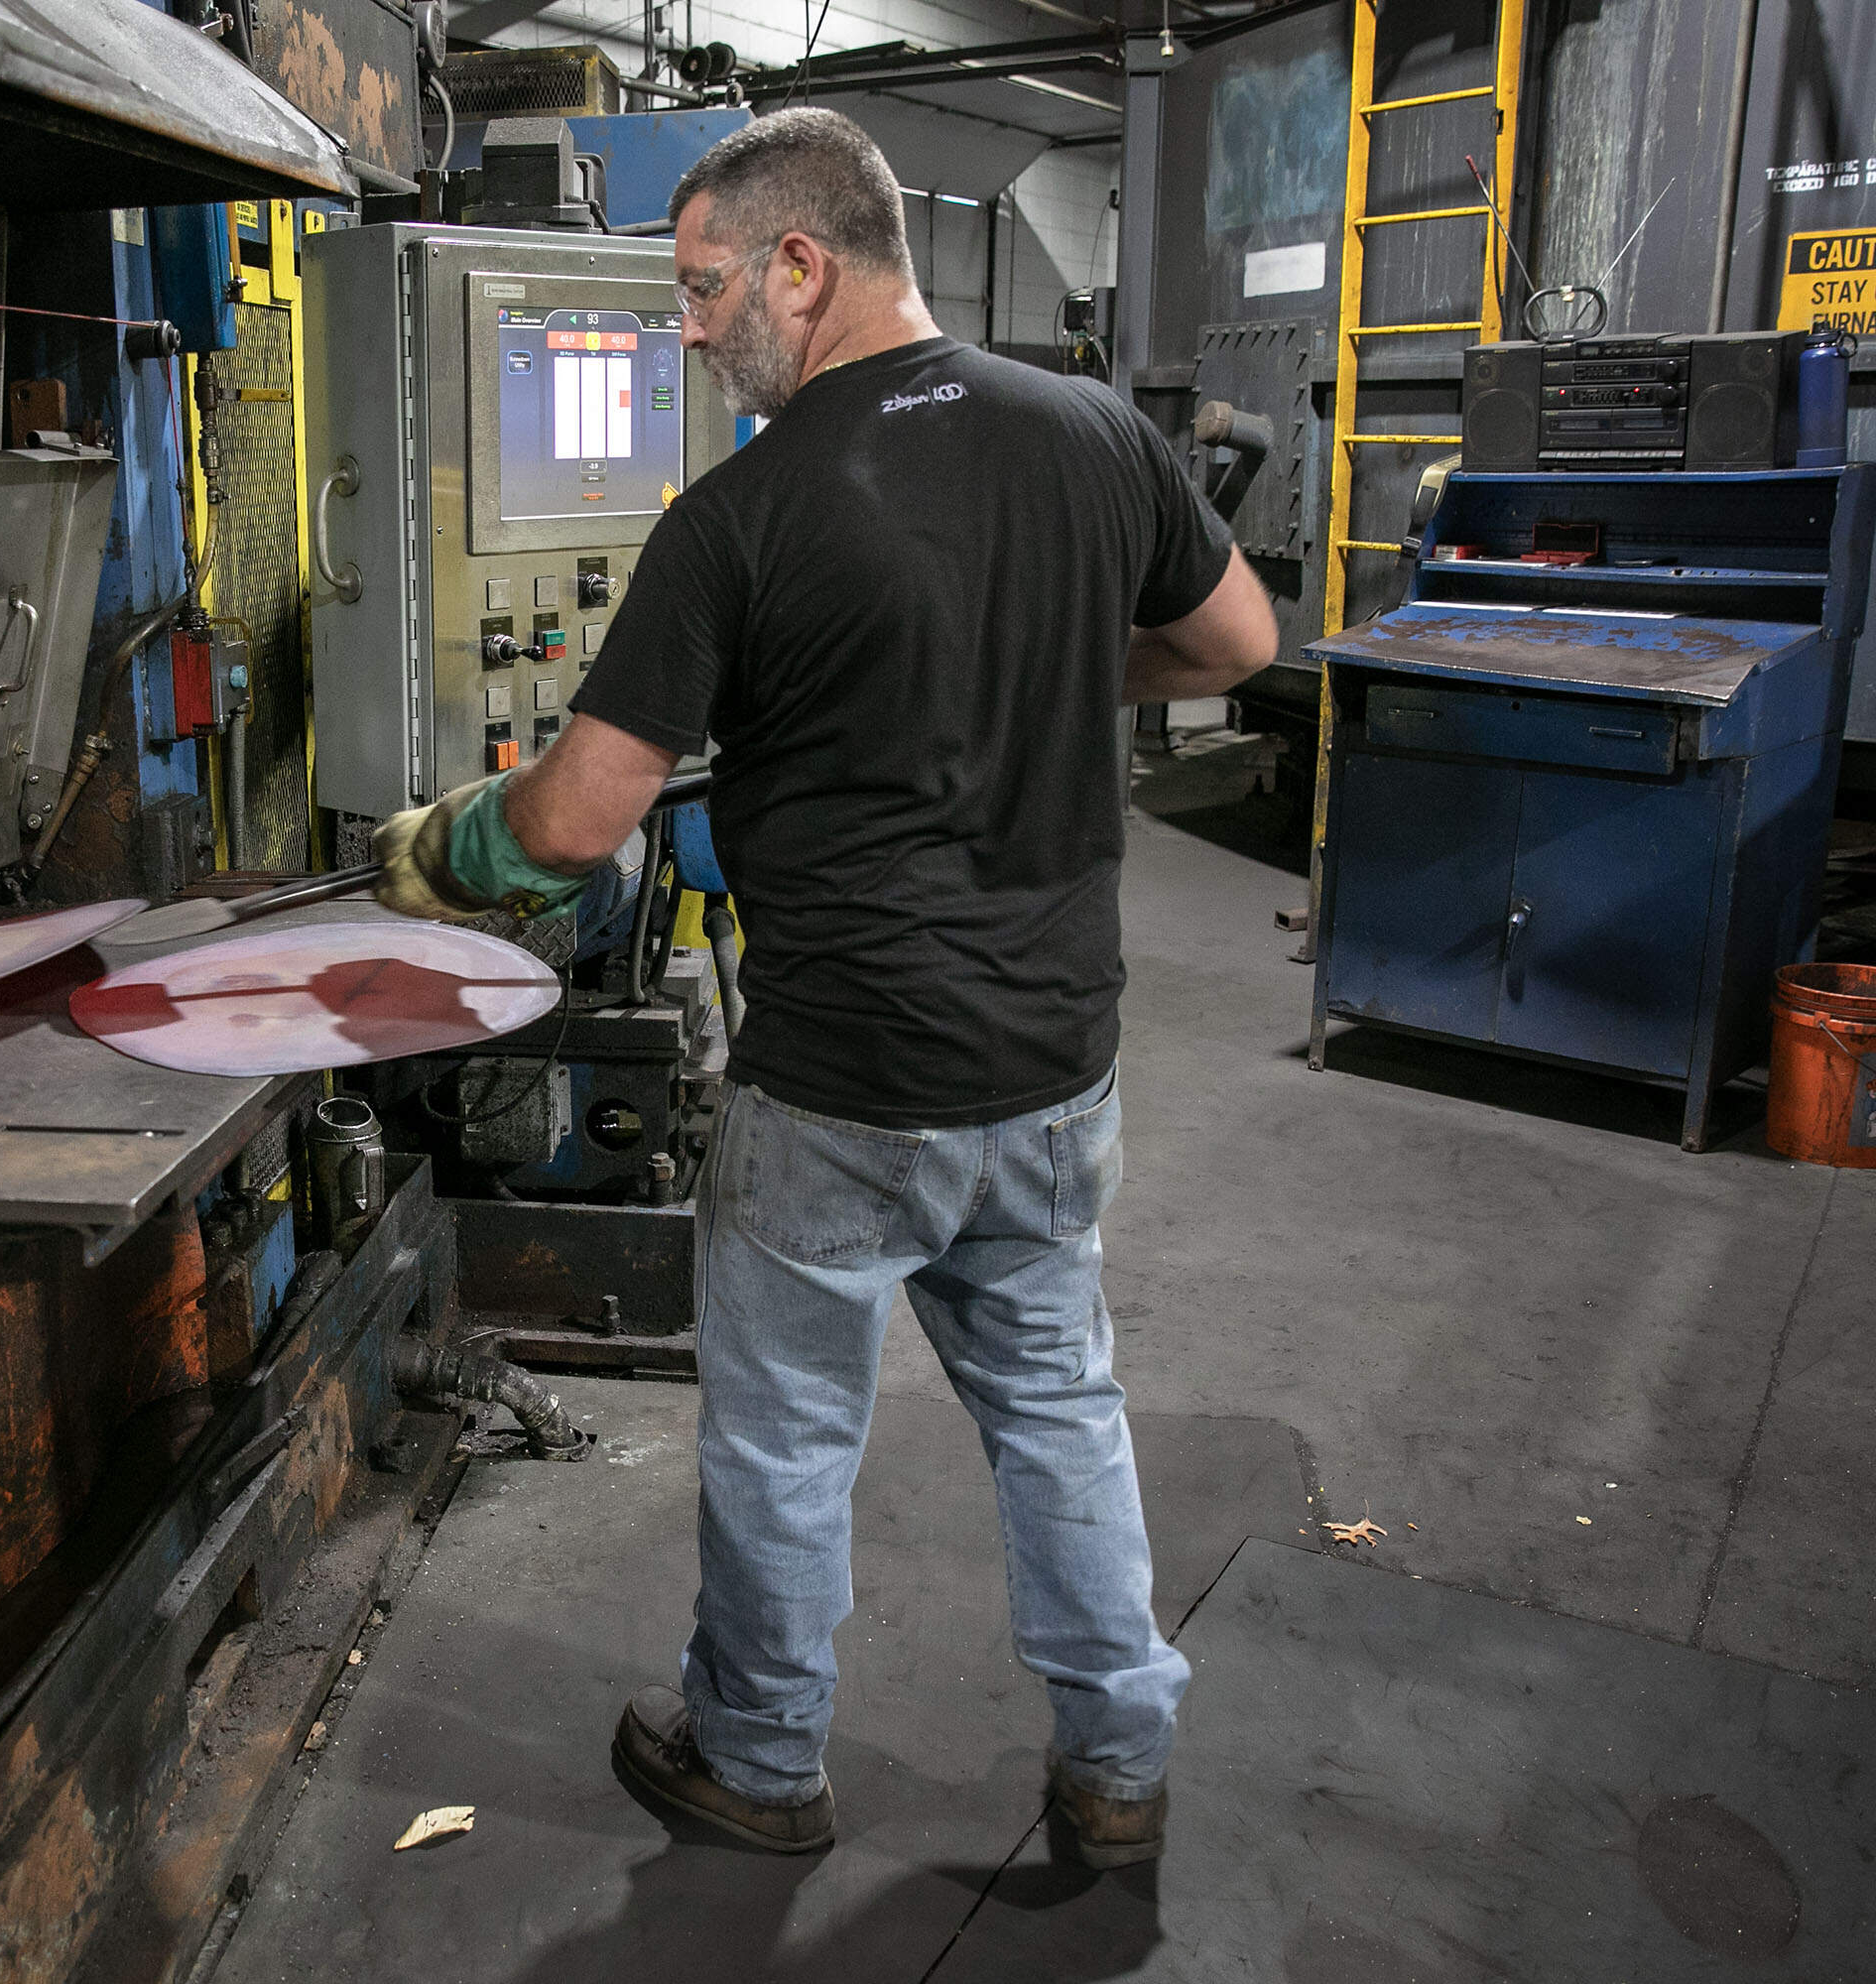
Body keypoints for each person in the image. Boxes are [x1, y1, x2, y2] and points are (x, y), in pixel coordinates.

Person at [373, 107, 1279, 1865]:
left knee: (786, 1442)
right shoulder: (1093, 436)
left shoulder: (740, 519)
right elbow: (1238, 643)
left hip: (845, 1090)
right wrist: (1013, 673)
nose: (691, 330)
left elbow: (573, 825)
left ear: (806, 263)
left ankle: (762, 1760)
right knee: (1062, 1416)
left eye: (707, 289)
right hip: (1052, 1066)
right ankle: (1119, 1768)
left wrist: (440, 846)